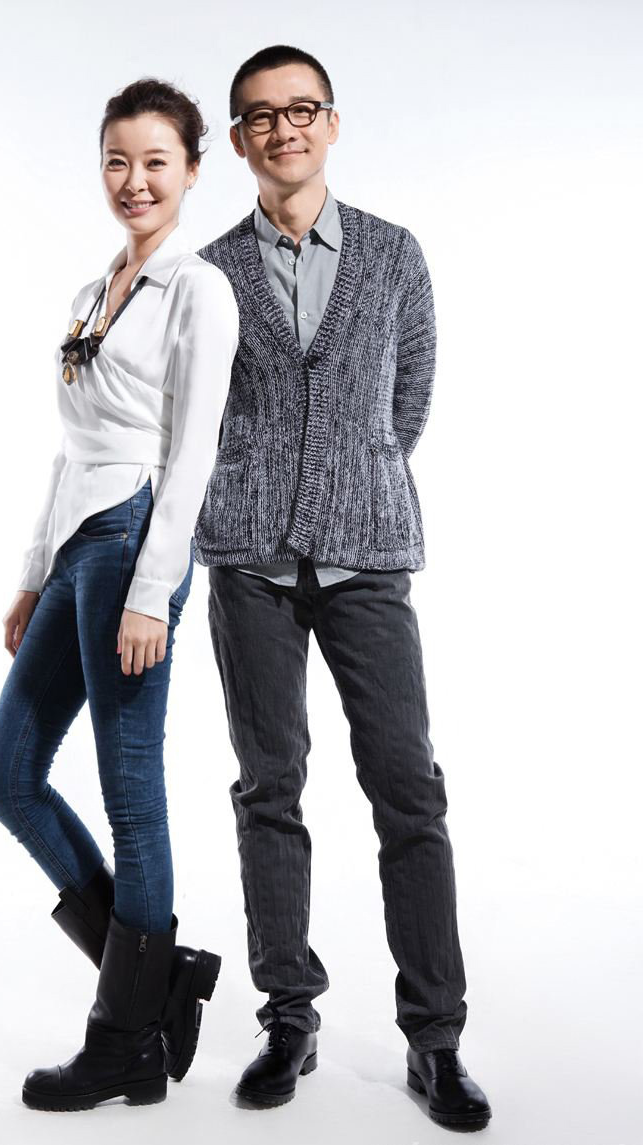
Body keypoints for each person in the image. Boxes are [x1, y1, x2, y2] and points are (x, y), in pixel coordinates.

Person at [193, 45, 492, 1128]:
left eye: (301, 108)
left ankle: (435, 1038)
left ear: (330, 121)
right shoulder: (209, 272)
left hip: (368, 557)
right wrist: (265, 487)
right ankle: (289, 1016)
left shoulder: (392, 253)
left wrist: (348, 483)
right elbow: (196, 414)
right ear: (238, 139)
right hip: (250, 563)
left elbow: (407, 399)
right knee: (268, 787)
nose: (284, 128)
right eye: (260, 115)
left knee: (408, 789)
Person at [0, 77, 239, 1112]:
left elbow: (194, 451)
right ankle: (158, 984)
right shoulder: (94, 290)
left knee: (131, 791)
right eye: (117, 161)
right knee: (7, 774)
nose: (135, 180)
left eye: (155, 162)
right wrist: (31, 573)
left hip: (134, 541)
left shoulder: (196, 290)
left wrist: (151, 589)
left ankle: (125, 1035)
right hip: (77, 544)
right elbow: (70, 445)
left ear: (191, 170)